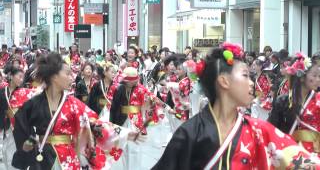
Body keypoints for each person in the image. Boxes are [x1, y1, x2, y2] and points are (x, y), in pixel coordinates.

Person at [153, 42, 320, 169]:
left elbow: (298, 158)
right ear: (224, 81)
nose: (251, 83)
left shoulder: (259, 130)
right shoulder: (190, 132)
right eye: (245, 75)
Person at [12, 53, 143, 169]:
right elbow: (20, 123)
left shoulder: (73, 104)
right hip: (42, 158)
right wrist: (28, 142)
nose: (72, 77)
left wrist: (126, 134)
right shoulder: (34, 103)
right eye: (68, 74)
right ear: (54, 76)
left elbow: (94, 123)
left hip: (68, 159)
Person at [269, 53, 320, 156]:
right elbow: (272, 130)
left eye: (319, 76)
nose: (318, 79)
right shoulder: (282, 101)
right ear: (301, 77)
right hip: (289, 154)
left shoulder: (318, 99)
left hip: (315, 155)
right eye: (314, 75)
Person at [0, 65, 34, 170]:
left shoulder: (23, 92)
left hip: (18, 129)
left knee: (13, 157)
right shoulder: (2, 91)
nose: (21, 79)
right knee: (5, 156)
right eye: (19, 76)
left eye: (22, 77)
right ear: (11, 76)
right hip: (4, 127)